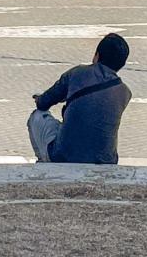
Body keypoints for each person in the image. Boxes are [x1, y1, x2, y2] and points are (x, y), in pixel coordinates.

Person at [27, 33, 132, 165]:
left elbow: (43, 103)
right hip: (106, 161)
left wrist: (40, 99)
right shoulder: (124, 92)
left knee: (37, 116)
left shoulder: (77, 73)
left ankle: (44, 164)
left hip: (64, 156)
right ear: (121, 64)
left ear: (97, 55)